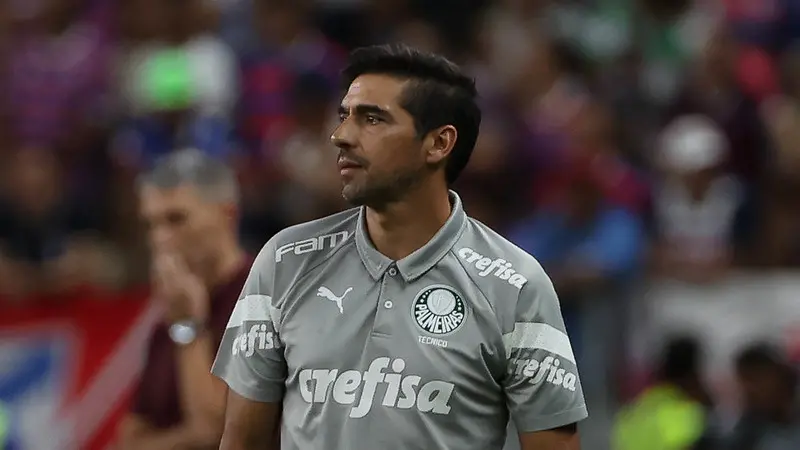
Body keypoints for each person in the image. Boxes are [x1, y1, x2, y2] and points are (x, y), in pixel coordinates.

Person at [212, 44, 588, 450]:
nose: (341, 136)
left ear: (439, 143)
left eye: (372, 119)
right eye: (344, 116)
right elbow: (241, 442)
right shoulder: (285, 261)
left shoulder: (515, 286)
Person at [117, 148, 249, 449]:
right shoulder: (168, 320)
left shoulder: (263, 298)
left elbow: (216, 433)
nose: (160, 238)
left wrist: (189, 325)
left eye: (176, 219)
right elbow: (129, 439)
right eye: (151, 224)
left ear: (227, 214)